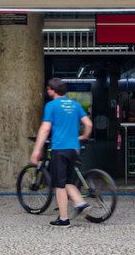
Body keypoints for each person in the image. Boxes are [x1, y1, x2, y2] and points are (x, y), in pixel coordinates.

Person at [31, 78, 93, 227]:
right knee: (68, 182)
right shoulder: (75, 104)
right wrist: (84, 136)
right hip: (74, 149)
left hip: (59, 149)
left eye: (48, 89)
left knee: (60, 185)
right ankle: (80, 204)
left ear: (52, 90)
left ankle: (65, 218)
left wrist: (37, 150)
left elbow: (45, 129)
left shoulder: (51, 106)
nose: (47, 91)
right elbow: (88, 123)